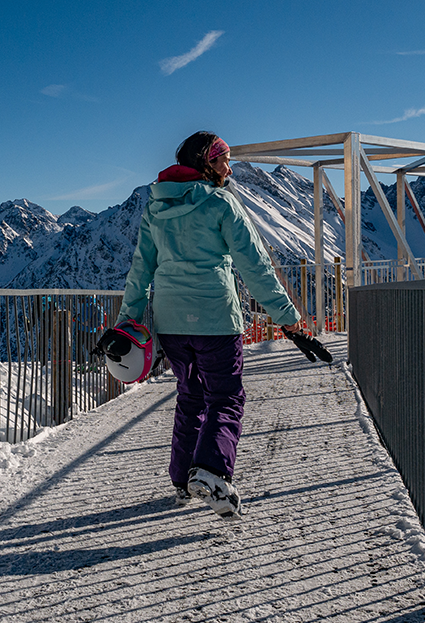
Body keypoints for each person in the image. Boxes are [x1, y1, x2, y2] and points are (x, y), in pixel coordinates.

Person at [115, 131, 301, 518]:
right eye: (222, 160)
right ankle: (213, 473)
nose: (228, 168)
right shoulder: (222, 205)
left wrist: (126, 322)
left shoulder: (155, 208)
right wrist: (288, 320)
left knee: (190, 396)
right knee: (226, 397)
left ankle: (183, 478)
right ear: (204, 163)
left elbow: (140, 270)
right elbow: (256, 268)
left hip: (170, 323)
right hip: (215, 318)